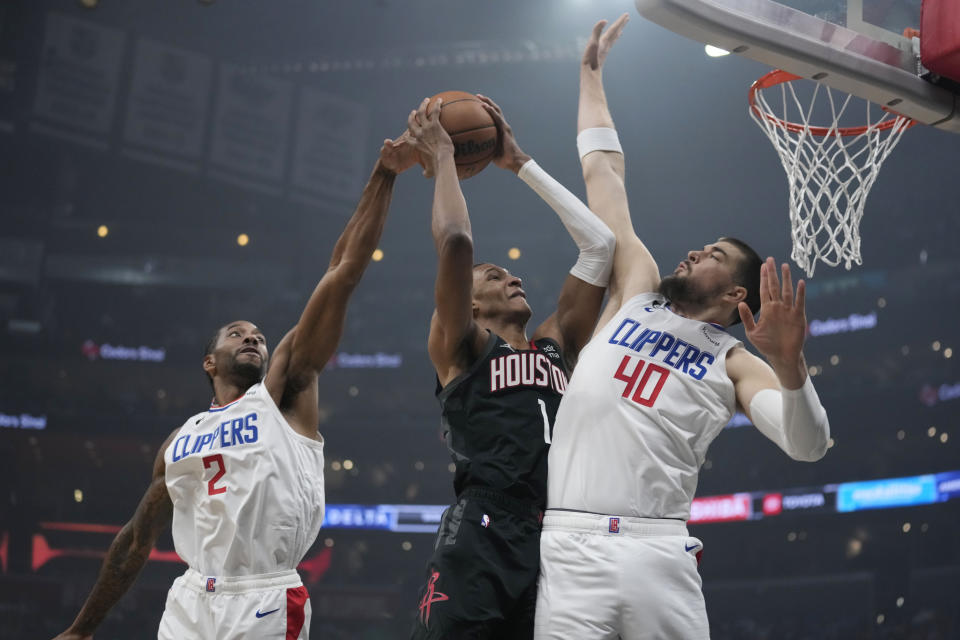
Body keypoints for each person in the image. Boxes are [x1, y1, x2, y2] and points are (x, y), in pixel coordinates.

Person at [534, 15, 832, 640]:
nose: (696, 252)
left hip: (657, 551)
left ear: (735, 293)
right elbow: (605, 177)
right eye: (701, 245)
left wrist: (791, 368)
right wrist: (590, 76)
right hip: (568, 543)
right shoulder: (635, 291)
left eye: (714, 255)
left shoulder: (735, 361)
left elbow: (808, 446)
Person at [52, 138, 417, 640]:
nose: (253, 337)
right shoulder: (179, 440)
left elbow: (341, 272)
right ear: (209, 361)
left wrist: (385, 173)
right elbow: (136, 541)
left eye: (260, 336)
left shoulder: (283, 394)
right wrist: (80, 630)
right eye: (237, 333)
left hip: (262, 595)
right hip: (189, 599)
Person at [404, 94, 616, 639]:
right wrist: (445, 158)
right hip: (483, 529)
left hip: (559, 535)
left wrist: (521, 163)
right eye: (494, 275)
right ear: (471, 305)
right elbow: (456, 241)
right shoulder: (462, 347)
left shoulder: (555, 343)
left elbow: (600, 246)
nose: (513, 279)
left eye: (511, 275)